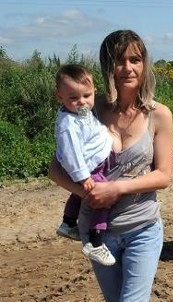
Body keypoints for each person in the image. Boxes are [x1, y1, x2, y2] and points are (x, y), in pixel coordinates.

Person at [49, 29, 173, 302]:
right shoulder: (87, 107)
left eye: (135, 59)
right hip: (96, 233)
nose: (127, 68)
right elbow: (55, 168)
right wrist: (85, 191)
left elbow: (163, 175)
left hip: (142, 229)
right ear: (107, 67)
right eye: (119, 60)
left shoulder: (159, 114)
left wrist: (116, 187)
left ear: (144, 63)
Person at [54, 64, 120, 266]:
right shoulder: (68, 124)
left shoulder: (80, 113)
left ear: (94, 93)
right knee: (103, 200)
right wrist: (83, 177)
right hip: (88, 168)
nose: (81, 102)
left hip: (91, 165)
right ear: (60, 97)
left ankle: (67, 223)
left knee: (77, 195)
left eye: (86, 95)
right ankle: (95, 242)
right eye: (73, 98)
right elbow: (71, 153)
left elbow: (91, 128)